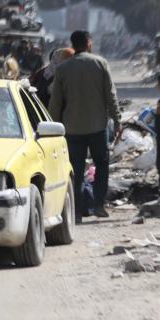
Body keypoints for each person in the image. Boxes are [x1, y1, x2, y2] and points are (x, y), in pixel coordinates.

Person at [49, 30, 122, 222]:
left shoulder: (63, 69)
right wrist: (118, 120)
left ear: (73, 45)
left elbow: (56, 102)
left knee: (76, 169)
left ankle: (78, 211)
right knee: (102, 164)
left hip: (72, 129)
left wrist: (52, 129)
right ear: (89, 43)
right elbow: (111, 96)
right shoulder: (100, 63)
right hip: (98, 127)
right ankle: (98, 204)